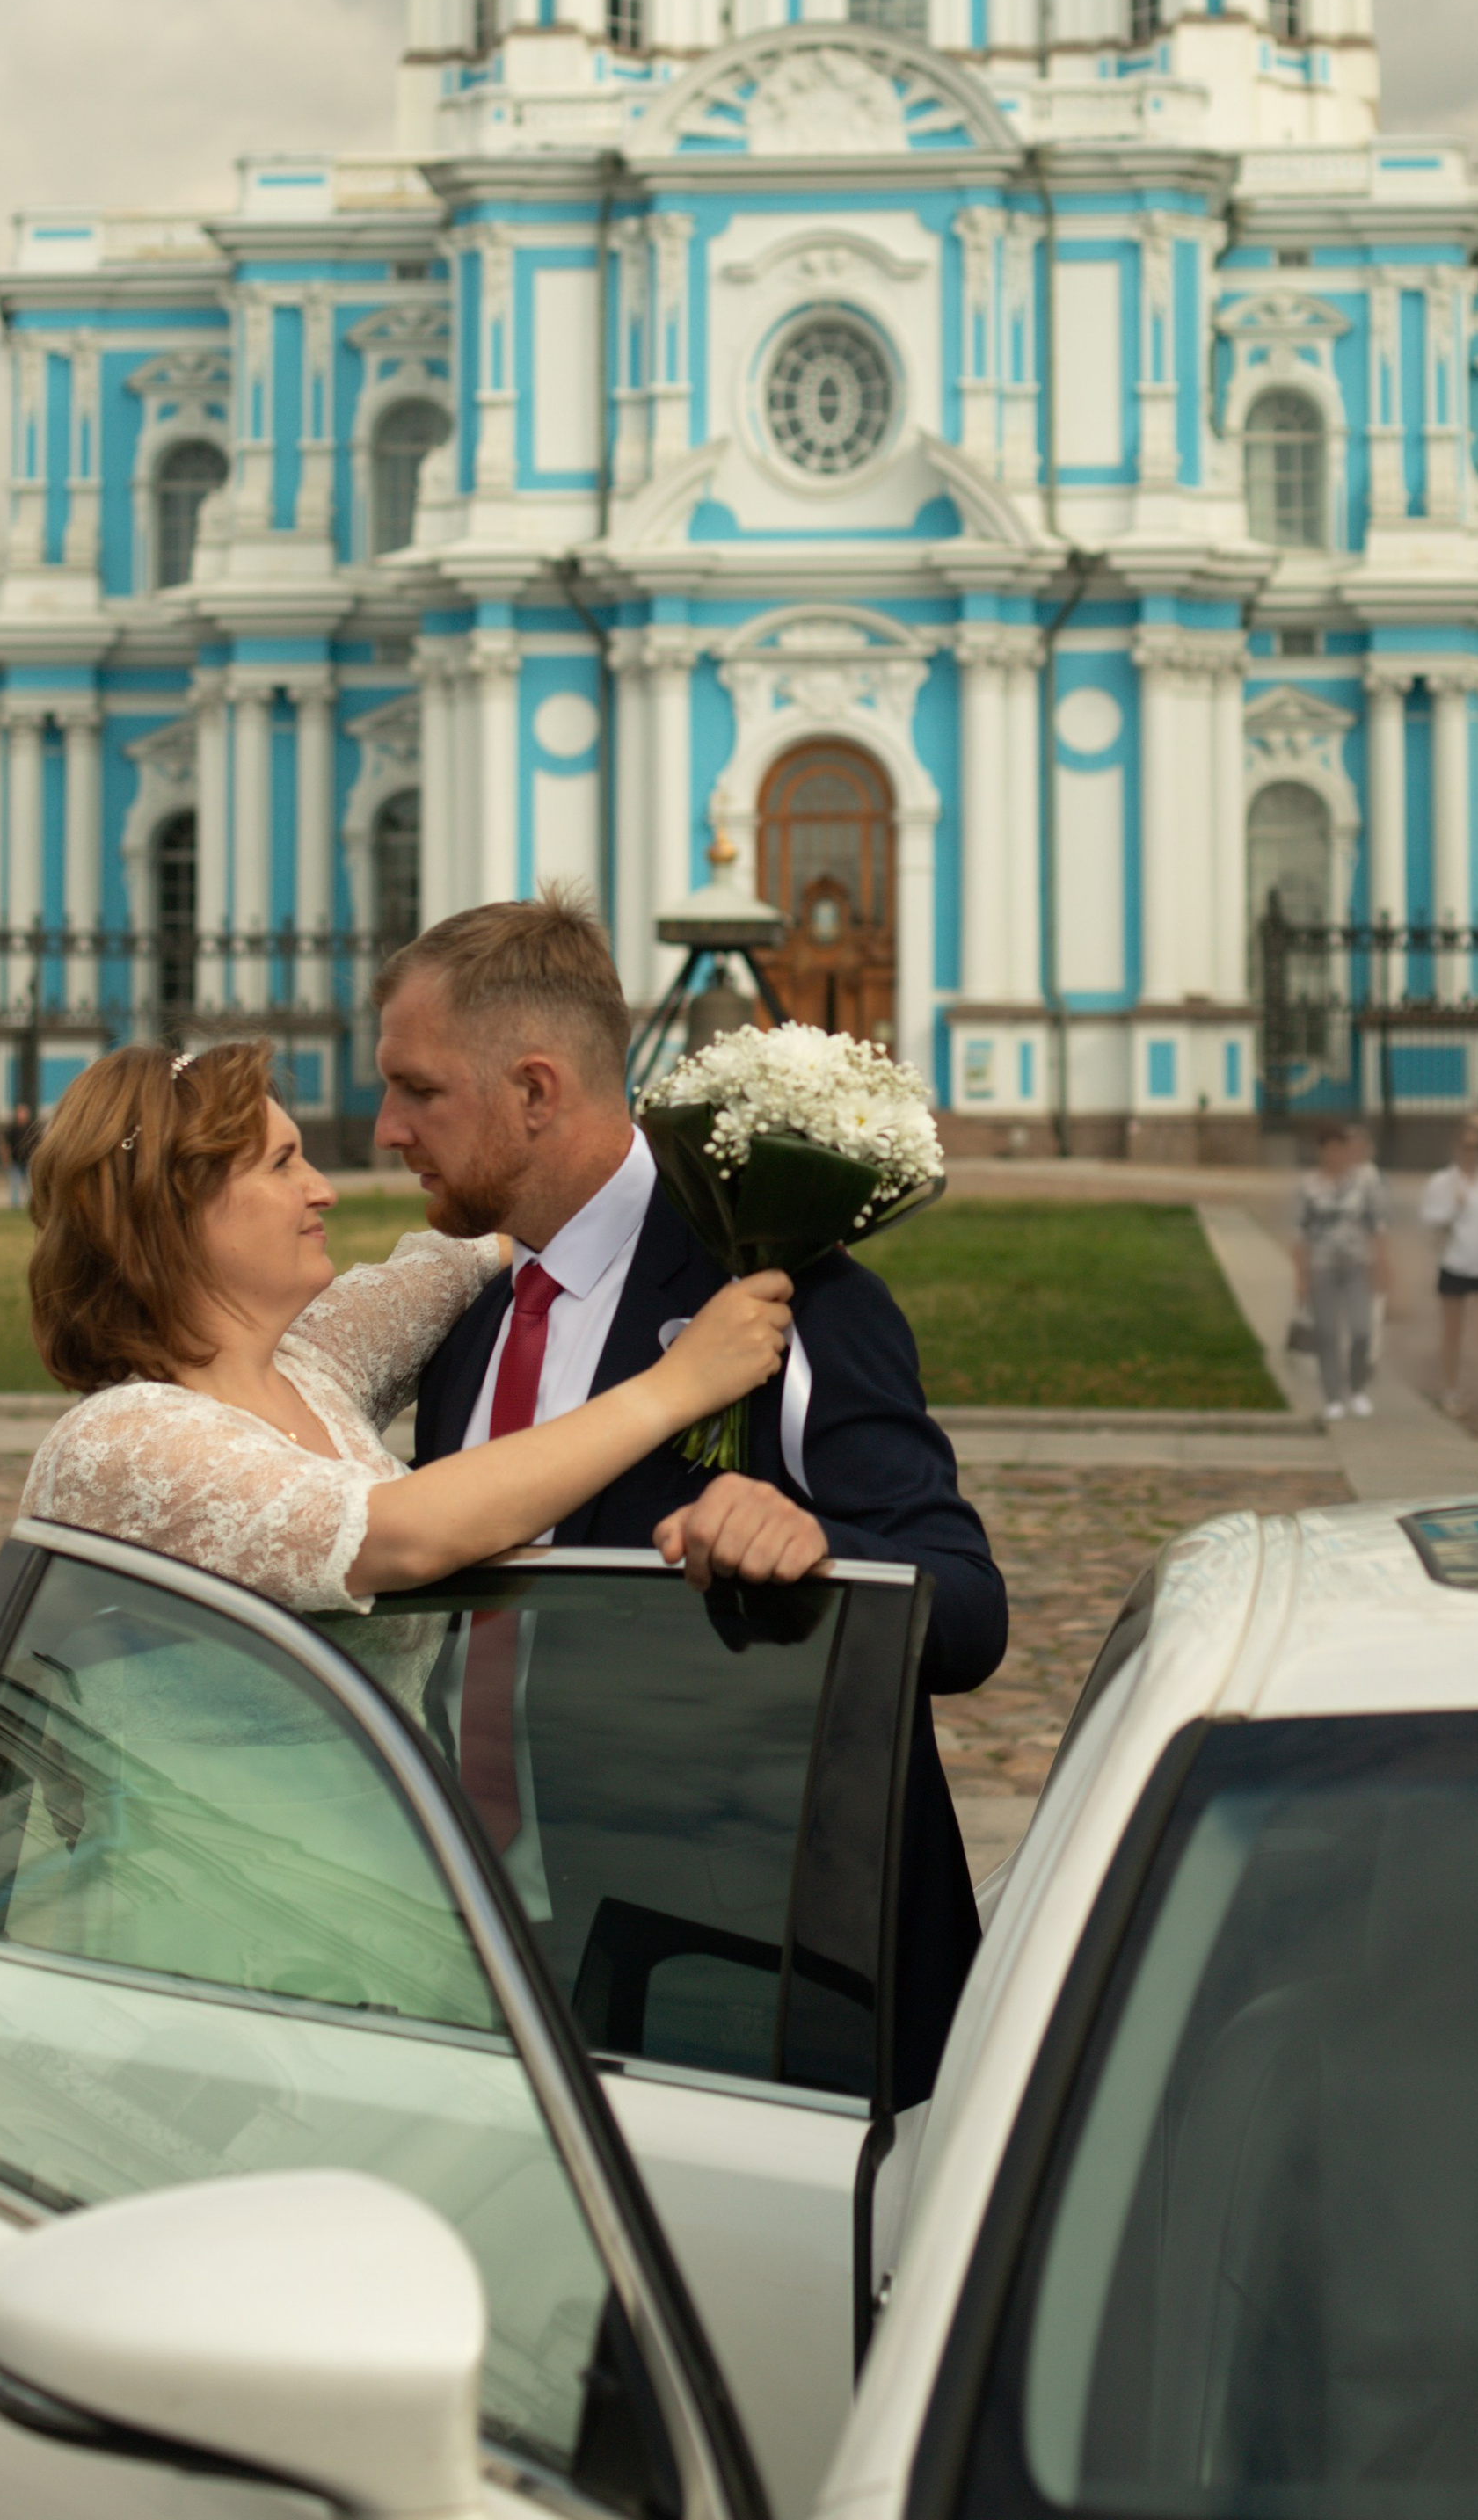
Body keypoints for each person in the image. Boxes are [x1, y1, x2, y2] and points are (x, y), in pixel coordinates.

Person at [383, 887, 1007, 2104]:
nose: (387, 1128)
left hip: (753, 1979)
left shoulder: (780, 1288)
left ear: (534, 1090)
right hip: (507, 1943)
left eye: (418, 1089)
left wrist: (819, 1541)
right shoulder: (474, 1325)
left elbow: (970, 1609)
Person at [20, 1038, 793, 1614]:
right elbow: (409, 1534)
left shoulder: (313, 1362)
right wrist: (675, 1386)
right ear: (174, 1208)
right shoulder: (117, 1441)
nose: (323, 1189)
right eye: (282, 1163)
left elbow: (471, 1252)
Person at [1292, 1117, 1392, 1423]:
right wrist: (1301, 1277)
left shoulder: (1363, 1182)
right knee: (1327, 1333)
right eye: (1330, 1148)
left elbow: (1377, 1226)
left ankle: (1357, 1388)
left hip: (1357, 1265)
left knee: (1362, 1330)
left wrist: (1382, 1265)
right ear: (1321, 1151)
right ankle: (1333, 1395)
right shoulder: (1309, 1185)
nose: (1335, 1154)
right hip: (1322, 1266)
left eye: (1340, 1147)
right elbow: (1301, 1233)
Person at [1421, 1114, 1478, 1417]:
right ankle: (1450, 1390)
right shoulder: (1441, 1182)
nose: (1472, 1154)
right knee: (1453, 1332)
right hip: (1455, 1261)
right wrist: (1453, 1206)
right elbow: (1431, 1220)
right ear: (1456, 1147)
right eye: (1466, 1147)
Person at [4, 1100, 36, 1212]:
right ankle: (15, 1203)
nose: (21, 1116)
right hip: (16, 1161)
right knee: (14, 1183)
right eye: (19, 1113)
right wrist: (6, 1158)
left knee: (29, 1184)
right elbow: (6, 1145)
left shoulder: (31, 1129)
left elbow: (37, 1144)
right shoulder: (13, 1129)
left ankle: (31, 1202)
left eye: (23, 1113)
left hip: (28, 1161)